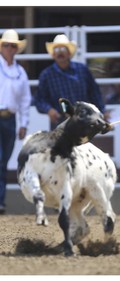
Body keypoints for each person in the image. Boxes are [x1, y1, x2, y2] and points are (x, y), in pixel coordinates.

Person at [34, 34, 107, 129]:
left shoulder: (82, 70)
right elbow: (39, 99)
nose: (60, 53)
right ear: (53, 54)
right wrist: (49, 110)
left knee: (84, 144)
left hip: (83, 120)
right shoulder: (47, 75)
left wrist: (102, 111)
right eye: (56, 50)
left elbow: (94, 93)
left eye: (63, 49)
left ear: (69, 53)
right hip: (60, 122)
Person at [0, 29, 32, 214]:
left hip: (10, 120)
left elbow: (25, 100)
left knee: (3, 162)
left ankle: (1, 202)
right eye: (6, 45)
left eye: (13, 46)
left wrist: (23, 123)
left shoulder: (20, 72)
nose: (10, 49)